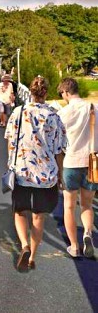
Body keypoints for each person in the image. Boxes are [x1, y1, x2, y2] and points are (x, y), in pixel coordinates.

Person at [5, 76, 66, 271]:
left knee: (20, 211)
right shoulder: (54, 116)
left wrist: (10, 164)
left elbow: (10, 141)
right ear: (46, 93)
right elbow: (59, 149)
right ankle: (32, 256)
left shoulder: (18, 112)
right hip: (46, 175)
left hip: (22, 172)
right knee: (39, 217)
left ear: (30, 92)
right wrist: (61, 175)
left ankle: (23, 244)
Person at [56, 77, 97, 258]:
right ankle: (88, 233)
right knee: (87, 205)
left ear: (65, 92)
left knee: (69, 207)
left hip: (71, 162)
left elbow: (57, 139)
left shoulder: (64, 113)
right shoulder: (94, 108)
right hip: (92, 163)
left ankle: (74, 247)